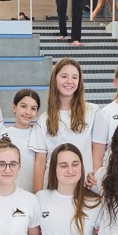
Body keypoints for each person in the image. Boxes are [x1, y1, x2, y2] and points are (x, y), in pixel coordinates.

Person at [31, 58, 98, 192]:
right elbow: (40, 161)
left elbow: (98, 152)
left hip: (84, 187)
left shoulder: (93, 112)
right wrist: (38, 195)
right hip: (53, 188)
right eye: (64, 76)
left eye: (75, 77)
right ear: (55, 80)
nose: (69, 81)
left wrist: (96, 174)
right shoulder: (44, 120)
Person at [3, 89, 42, 192]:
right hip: (7, 193)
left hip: (32, 193)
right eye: (23, 106)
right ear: (14, 107)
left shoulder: (39, 135)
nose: (28, 112)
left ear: (37, 112)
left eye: (33, 108)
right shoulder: (2, 134)